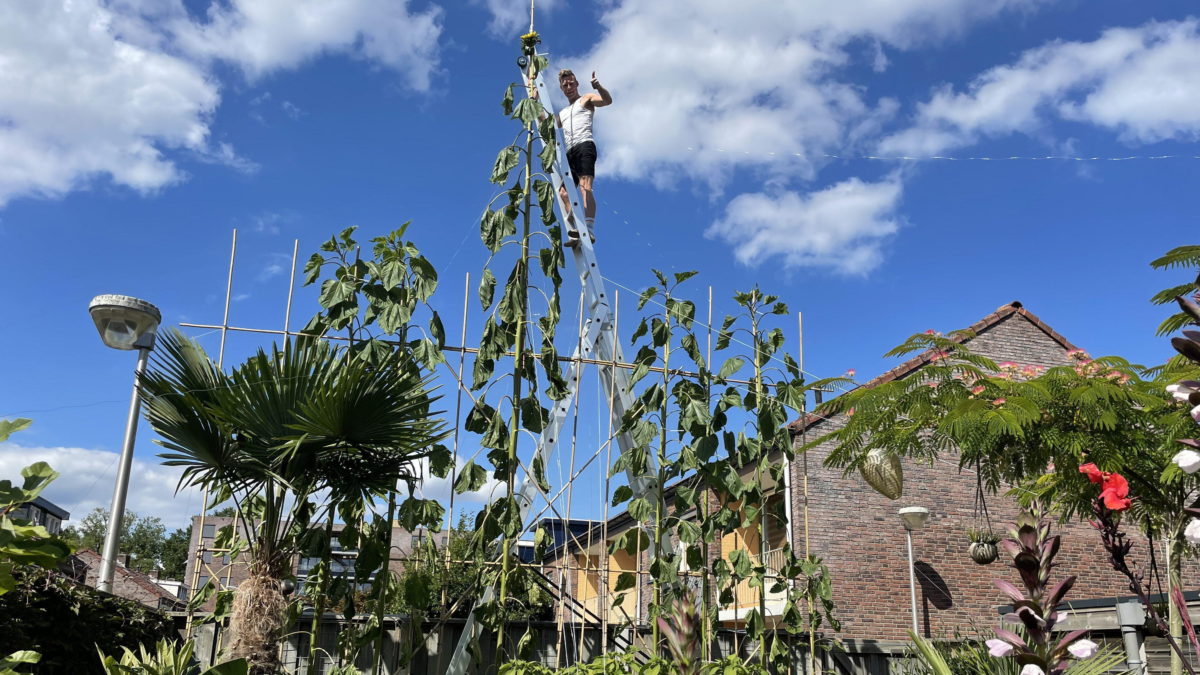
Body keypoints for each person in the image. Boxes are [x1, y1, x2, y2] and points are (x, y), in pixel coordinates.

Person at [532, 69, 611, 247]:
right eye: (565, 85)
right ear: (561, 88)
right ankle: (577, 230)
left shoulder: (587, 98)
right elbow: (548, 127)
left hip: (585, 146)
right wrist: (536, 104)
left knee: (585, 187)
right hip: (570, 152)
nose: (569, 87)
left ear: (576, 84)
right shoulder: (564, 112)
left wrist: (599, 87)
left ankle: (588, 229)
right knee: (564, 193)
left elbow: (607, 101)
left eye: (571, 83)